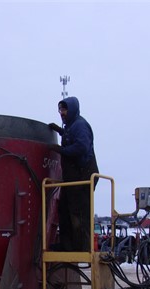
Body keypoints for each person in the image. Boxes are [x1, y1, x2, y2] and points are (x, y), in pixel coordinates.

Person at [48, 96, 99, 251]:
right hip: (72, 178)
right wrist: (60, 131)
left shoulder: (80, 125)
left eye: (64, 109)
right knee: (64, 208)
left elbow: (81, 146)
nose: (62, 113)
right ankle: (67, 244)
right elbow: (70, 136)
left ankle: (81, 246)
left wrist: (62, 150)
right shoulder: (71, 126)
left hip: (83, 175)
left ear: (72, 109)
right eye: (60, 110)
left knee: (78, 212)